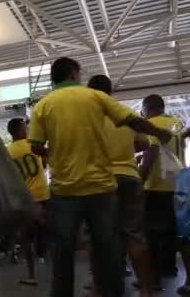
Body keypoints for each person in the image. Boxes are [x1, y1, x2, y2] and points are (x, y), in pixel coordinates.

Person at [29, 57, 172, 297]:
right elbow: (133, 121)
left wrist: (53, 153)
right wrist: (159, 132)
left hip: (64, 190)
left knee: (64, 251)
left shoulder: (43, 105)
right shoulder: (95, 97)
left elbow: (35, 146)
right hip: (101, 189)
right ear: (74, 73)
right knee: (108, 249)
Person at [87, 75, 154, 297]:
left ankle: (98, 289)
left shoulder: (87, 117)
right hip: (129, 177)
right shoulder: (127, 114)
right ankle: (145, 289)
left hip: (100, 181)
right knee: (134, 235)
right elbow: (144, 144)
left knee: (99, 238)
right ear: (111, 91)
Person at [139, 94, 188, 292]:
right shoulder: (176, 123)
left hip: (156, 186)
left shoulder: (149, 125)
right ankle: (175, 272)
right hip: (179, 186)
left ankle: (154, 279)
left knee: (151, 234)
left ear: (146, 108)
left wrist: (139, 182)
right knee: (177, 232)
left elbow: (151, 155)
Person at [6, 118, 49, 287]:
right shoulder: (33, 145)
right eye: (26, 127)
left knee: (25, 239)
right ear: (21, 130)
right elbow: (44, 164)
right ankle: (58, 273)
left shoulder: (8, 152)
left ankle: (32, 276)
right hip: (41, 195)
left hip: (24, 199)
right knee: (53, 234)